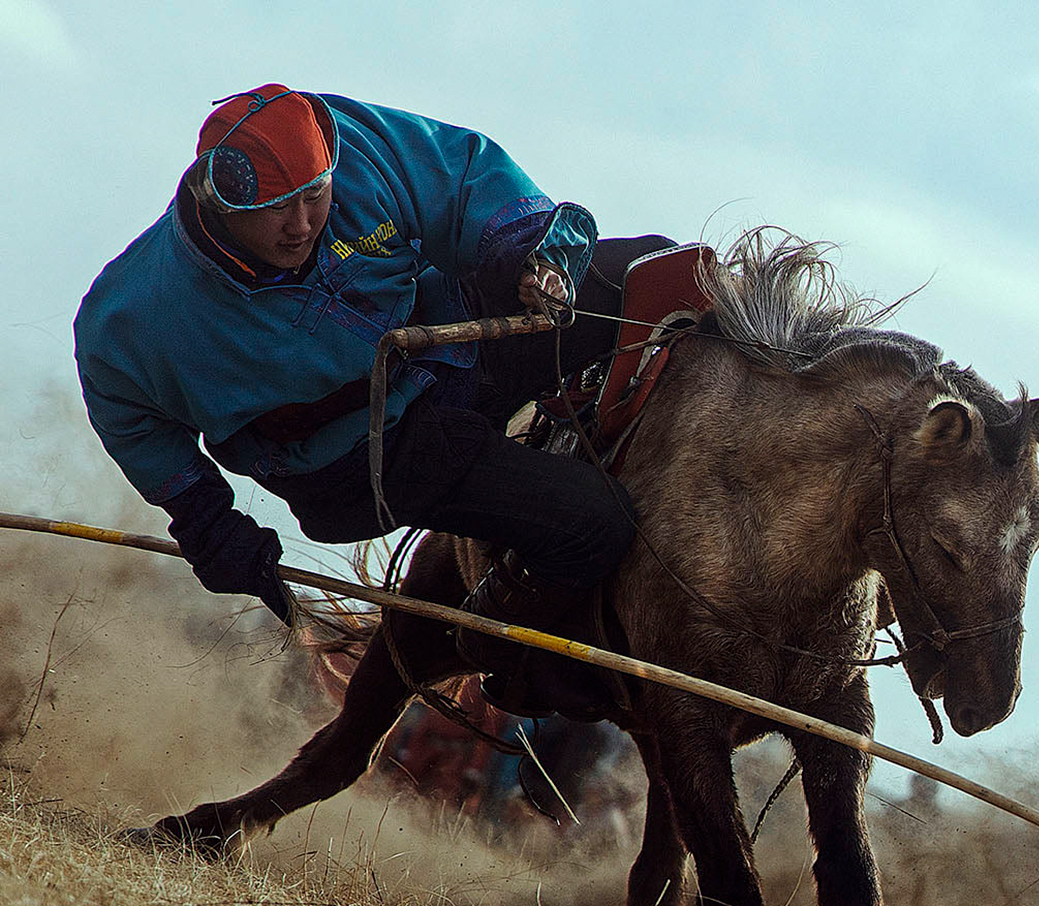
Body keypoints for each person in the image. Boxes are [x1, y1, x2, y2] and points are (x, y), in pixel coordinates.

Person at [75, 84, 669, 714]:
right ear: (216, 202)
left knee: (655, 277)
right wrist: (203, 518)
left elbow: (463, 175)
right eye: (278, 208)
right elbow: (127, 412)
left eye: (313, 196)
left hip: (455, 341)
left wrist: (532, 253)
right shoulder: (132, 317)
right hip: (365, 463)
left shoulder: (348, 145)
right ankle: (494, 647)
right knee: (597, 525)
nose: (303, 224)